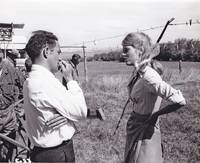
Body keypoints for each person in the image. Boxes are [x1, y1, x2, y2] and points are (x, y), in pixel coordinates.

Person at [23, 31, 88, 163]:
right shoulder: (45, 83)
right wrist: (70, 79)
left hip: (44, 152)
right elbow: (81, 111)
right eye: (58, 52)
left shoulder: (31, 80)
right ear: (46, 51)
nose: (60, 57)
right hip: (55, 154)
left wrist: (66, 116)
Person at [121, 32, 186, 163]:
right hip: (136, 127)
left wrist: (156, 114)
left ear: (140, 51)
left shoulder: (149, 76)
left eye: (126, 50)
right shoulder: (140, 72)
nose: (123, 54)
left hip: (145, 131)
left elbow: (180, 100)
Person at [0, 53, 25, 162]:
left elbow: (25, 87)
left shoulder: (11, 71)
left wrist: (22, 108)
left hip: (9, 116)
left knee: (9, 147)